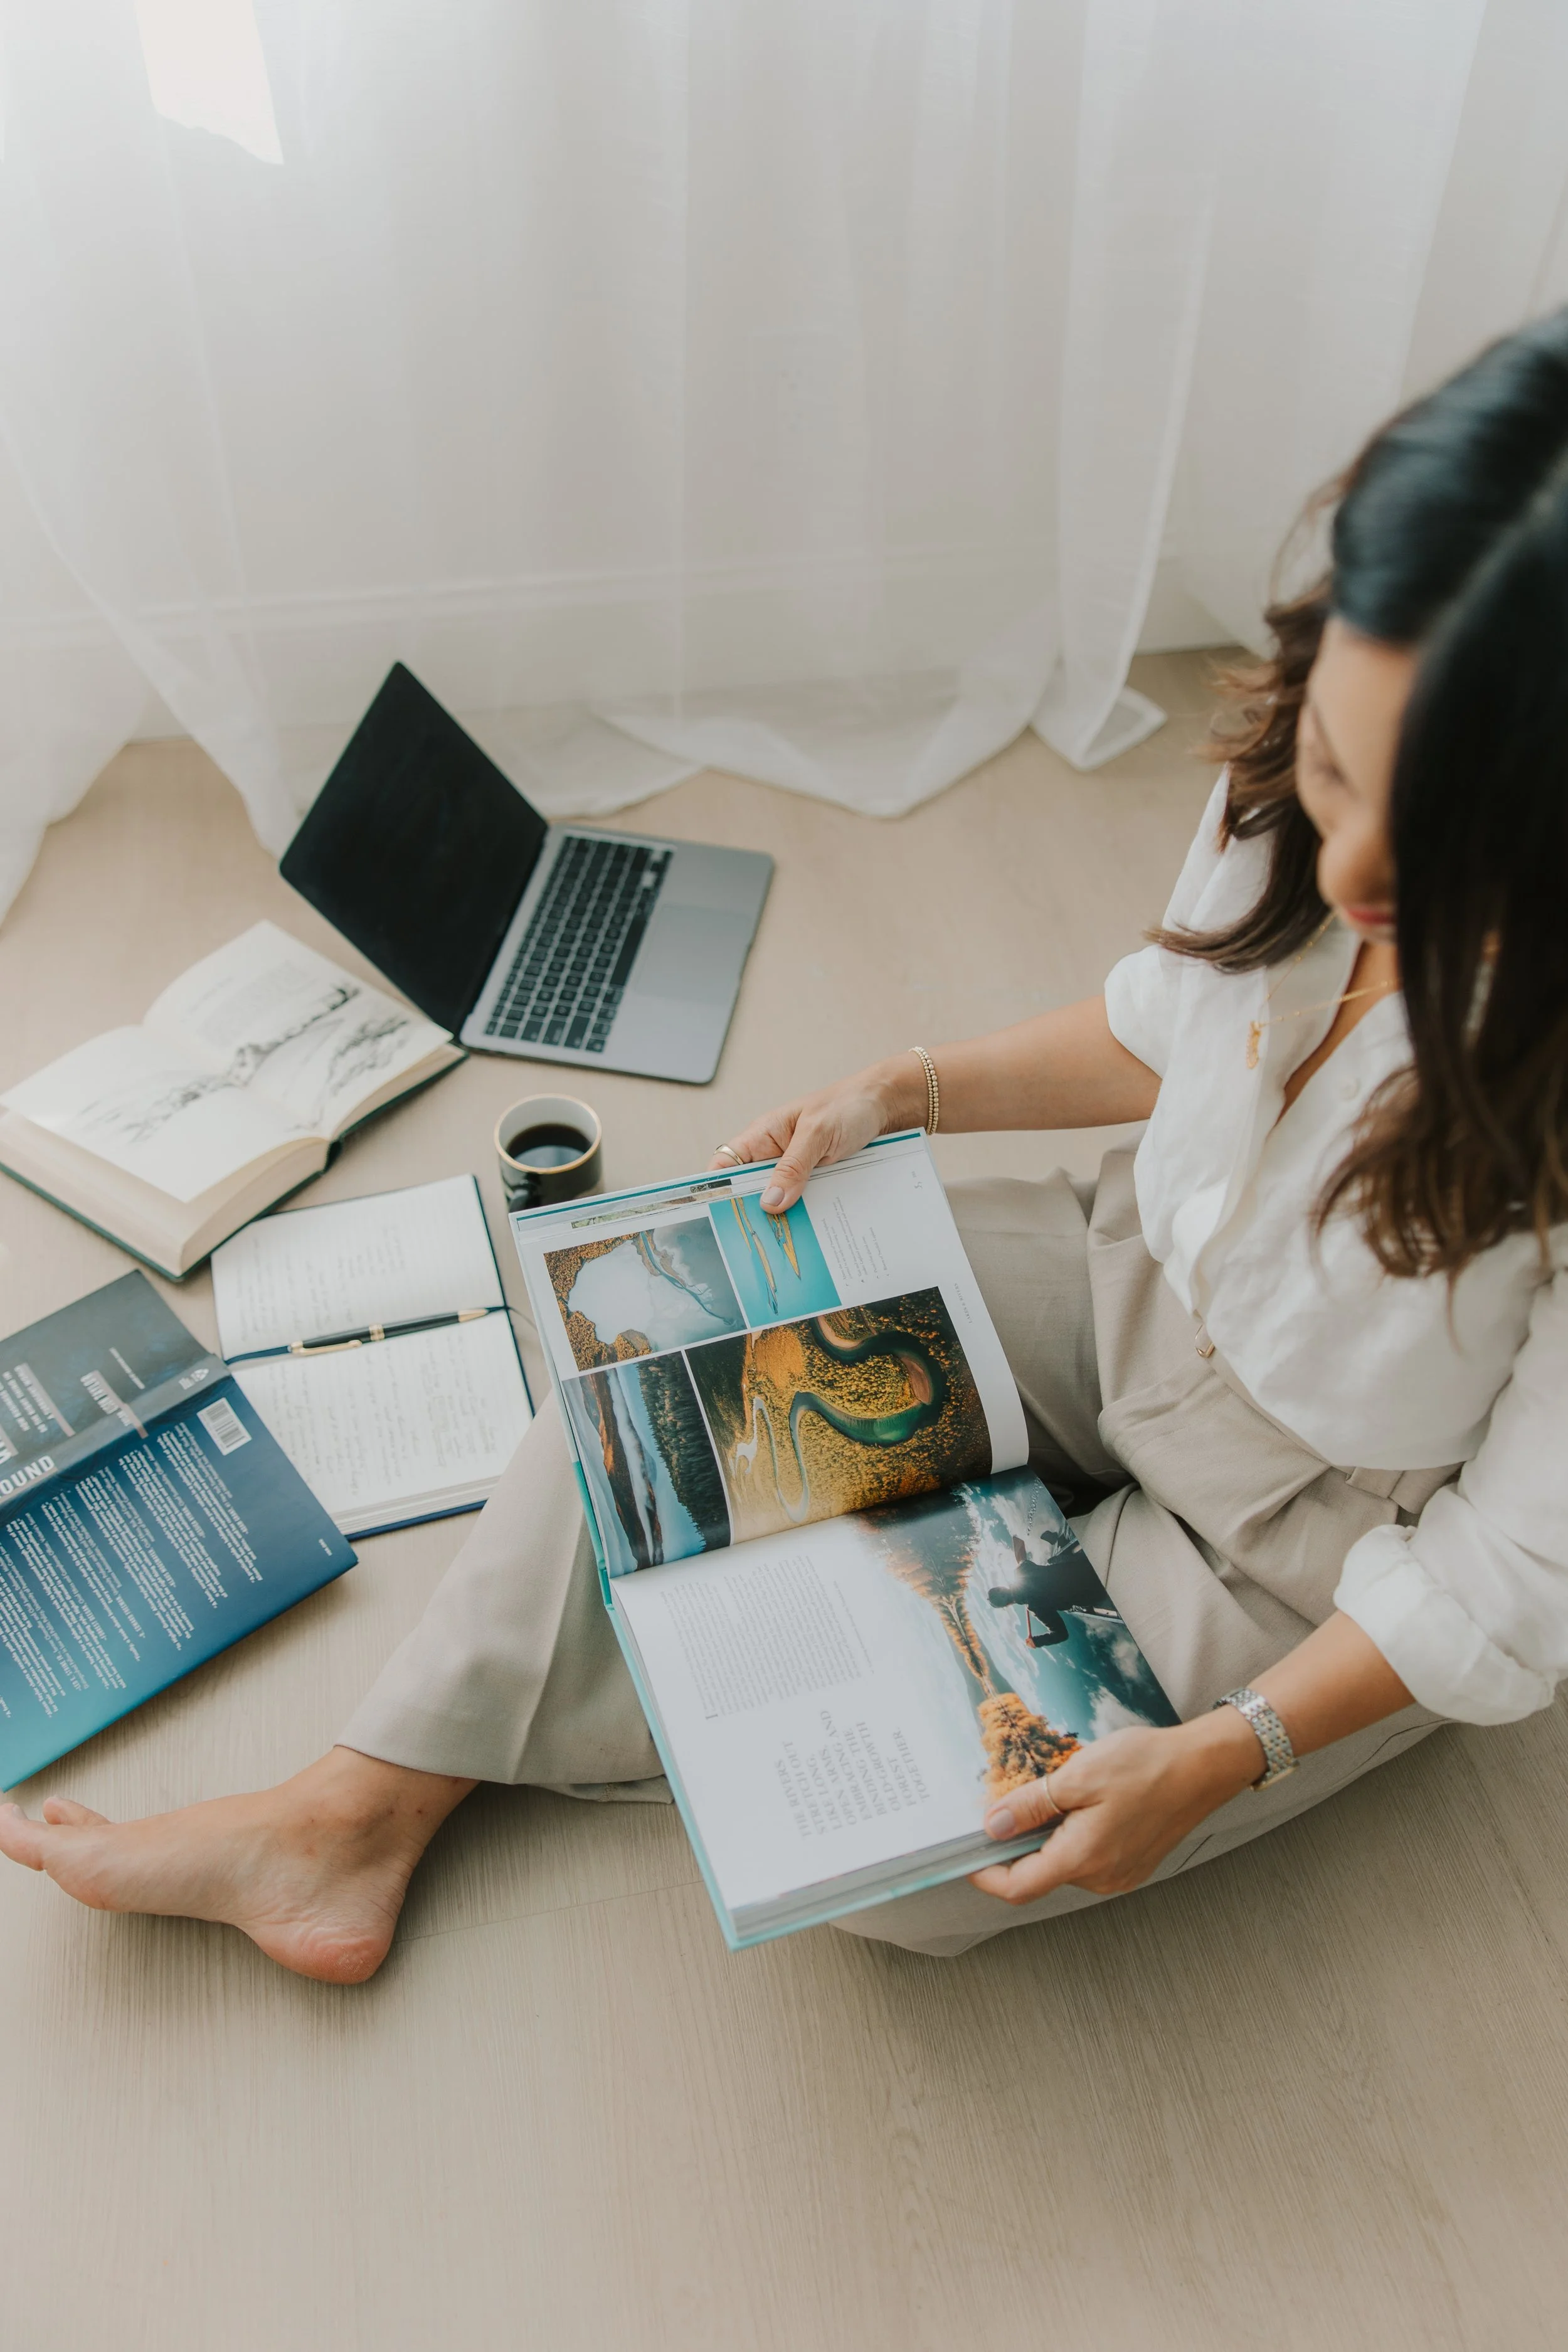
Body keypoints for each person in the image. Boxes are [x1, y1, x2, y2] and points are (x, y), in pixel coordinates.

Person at [6, 312, 1568, 1981]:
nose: (1343, 874)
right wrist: (906, 1086)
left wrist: (1227, 1747)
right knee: (655, 1345)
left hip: (1312, 1535)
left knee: (916, 1865)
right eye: (1334, 771)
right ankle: (351, 1810)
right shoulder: (1305, 763)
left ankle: (740, 1678)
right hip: (1130, 1273)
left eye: (1445, 859)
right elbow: (1165, 1019)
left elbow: (1509, 1566)